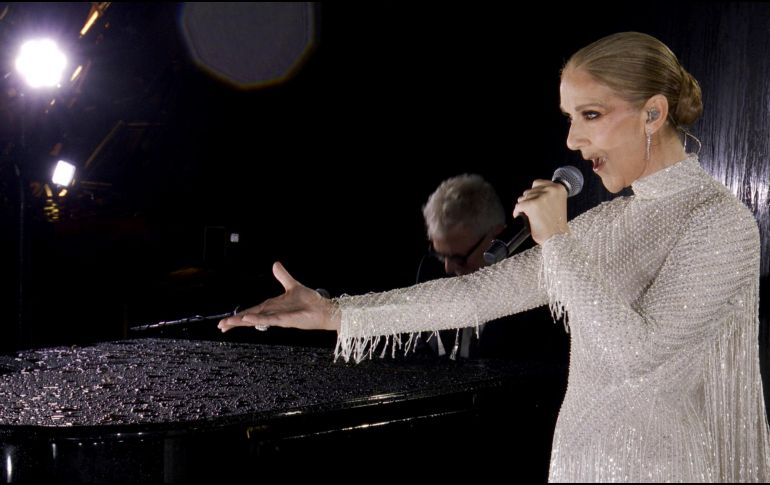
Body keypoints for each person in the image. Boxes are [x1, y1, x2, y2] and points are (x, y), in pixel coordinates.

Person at [219, 32, 770, 482]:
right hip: (578, 463)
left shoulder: (718, 222)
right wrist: (335, 313)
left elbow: (638, 355)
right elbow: (478, 293)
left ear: (654, 113)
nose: (574, 141)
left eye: (592, 115)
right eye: (569, 118)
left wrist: (556, 239)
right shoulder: (606, 223)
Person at [419, 173, 505, 358]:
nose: (448, 268)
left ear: (495, 236)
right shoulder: (429, 269)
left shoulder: (533, 282)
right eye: (441, 255)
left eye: (459, 257)